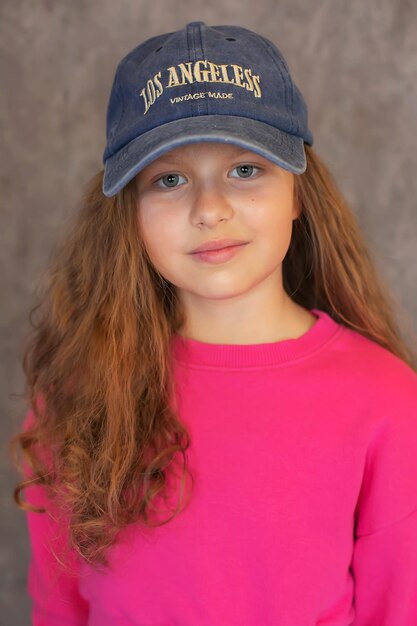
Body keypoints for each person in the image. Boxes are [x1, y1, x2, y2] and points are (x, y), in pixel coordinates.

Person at [10, 20, 417, 626]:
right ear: (129, 215)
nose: (210, 210)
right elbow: (57, 608)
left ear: (299, 192)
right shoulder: (75, 393)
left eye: (246, 169)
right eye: (169, 179)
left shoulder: (386, 400)